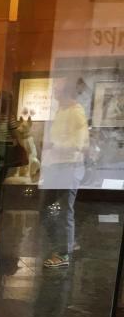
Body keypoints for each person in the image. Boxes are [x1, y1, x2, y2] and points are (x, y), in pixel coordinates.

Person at [40, 76, 89, 268]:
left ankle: (63, 253)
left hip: (69, 167)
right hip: (57, 167)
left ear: (66, 92)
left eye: (57, 89)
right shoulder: (62, 110)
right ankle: (67, 243)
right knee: (45, 209)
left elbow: (77, 144)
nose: (54, 91)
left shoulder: (76, 113)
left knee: (64, 213)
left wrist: (53, 145)